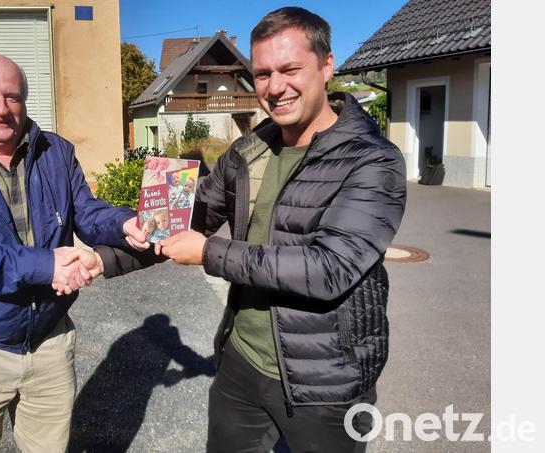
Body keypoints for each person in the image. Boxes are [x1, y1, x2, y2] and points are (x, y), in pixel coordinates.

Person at [93, 7, 406, 452]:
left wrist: (209, 253)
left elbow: (329, 268)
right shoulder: (250, 149)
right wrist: (98, 258)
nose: (275, 87)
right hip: (242, 361)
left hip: (326, 380)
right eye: (262, 74)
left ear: (327, 65)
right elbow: (188, 217)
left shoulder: (373, 161)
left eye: (290, 69)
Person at [0, 53, 146, 453]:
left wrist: (123, 222)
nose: (1, 109)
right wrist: (46, 265)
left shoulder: (55, 151)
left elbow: (86, 212)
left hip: (49, 343)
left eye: (12, 96)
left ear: (25, 98)